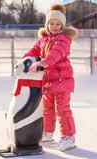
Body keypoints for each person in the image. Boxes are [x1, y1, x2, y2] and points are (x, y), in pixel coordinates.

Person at [23, 4, 78, 151]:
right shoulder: (43, 39)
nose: (54, 26)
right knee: (47, 110)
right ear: (46, 24)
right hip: (47, 82)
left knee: (62, 109)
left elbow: (55, 54)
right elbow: (33, 51)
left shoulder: (63, 39)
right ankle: (47, 135)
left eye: (58, 24)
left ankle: (69, 137)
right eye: (51, 23)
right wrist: (24, 60)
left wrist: (43, 62)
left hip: (62, 81)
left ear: (62, 26)